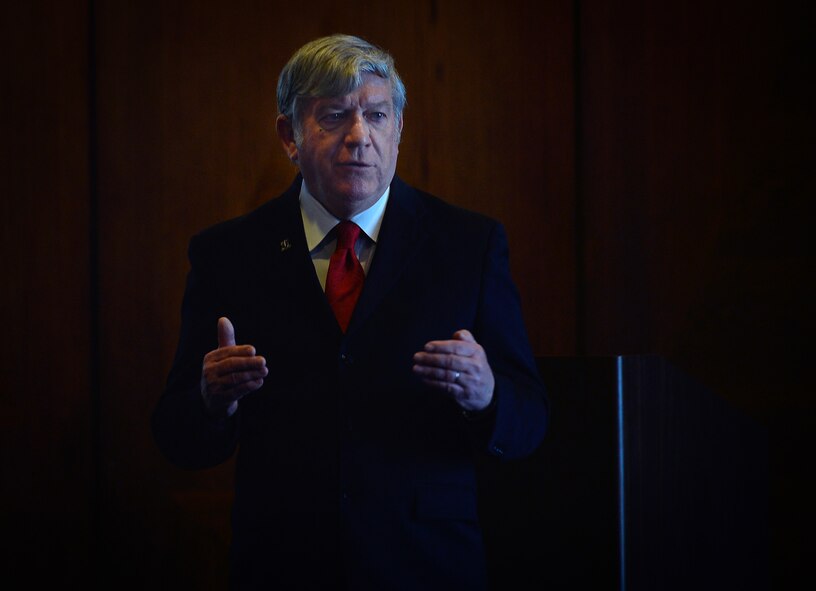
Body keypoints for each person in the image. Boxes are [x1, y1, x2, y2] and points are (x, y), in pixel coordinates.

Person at [152, 34, 548, 590]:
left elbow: (530, 419)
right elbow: (177, 434)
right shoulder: (228, 253)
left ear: (399, 128)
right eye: (334, 116)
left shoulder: (467, 244)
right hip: (282, 565)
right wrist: (211, 401)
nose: (359, 137)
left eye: (377, 115)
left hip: (427, 564)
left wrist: (488, 395)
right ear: (289, 136)